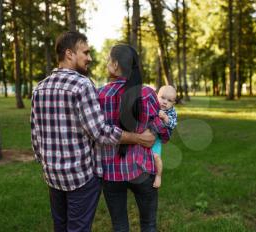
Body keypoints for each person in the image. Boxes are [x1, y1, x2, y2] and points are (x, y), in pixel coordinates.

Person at [30, 32, 155, 232]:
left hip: (52, 176)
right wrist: (137, 138)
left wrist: (46, 164)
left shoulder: (40, 88)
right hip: (80, 177)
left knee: (60, 227)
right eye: (85, 52)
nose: (90, 58)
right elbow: (100, 132)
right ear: (69, 54)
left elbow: (35, 135)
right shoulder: (81, 85)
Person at [95, 44, 172, 232]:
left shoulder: (100, 95)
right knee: (148, 224)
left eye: (107, 61)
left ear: (114, 65)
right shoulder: (146, 93)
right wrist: (153, 132)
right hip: (142, 168)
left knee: (119, 226)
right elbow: (163, 131)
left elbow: (97, 132)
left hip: (111, 172)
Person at [151, 85, 177, 188]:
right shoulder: (152, 105)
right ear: (156, 96)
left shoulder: (171, 112)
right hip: (146, 134)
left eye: (169, 100)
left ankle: (158, 176)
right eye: (162, 98)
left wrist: (166, 118)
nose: (165, 102)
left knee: (156, 157)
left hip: (157, 139)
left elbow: (173, 124)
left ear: (173, 103)